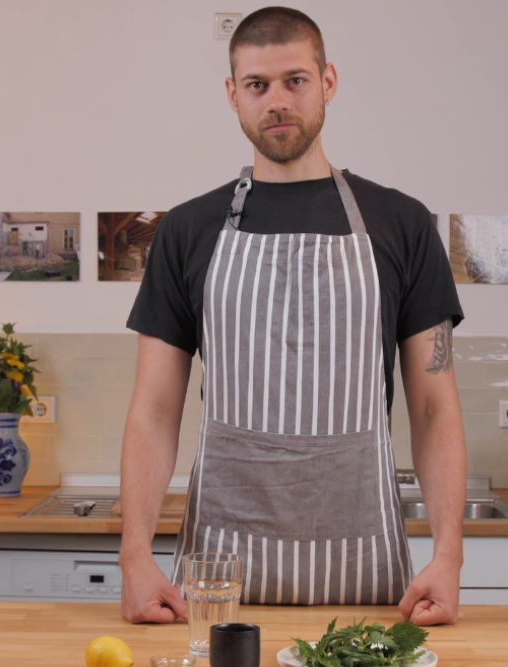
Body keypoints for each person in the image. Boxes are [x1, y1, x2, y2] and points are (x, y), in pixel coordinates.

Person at [119, 6, 466, 626]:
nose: (277, 100)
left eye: (295, 80)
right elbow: (153, 409)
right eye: (258, 85)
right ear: (233, 95)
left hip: (364, 579)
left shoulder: (403, 224)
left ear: (328, 82)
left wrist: (449, 555)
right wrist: (135, 555)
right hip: (218, 586)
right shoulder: (188, 230)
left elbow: (435, 407)